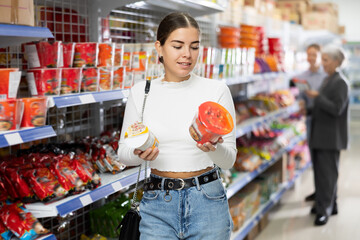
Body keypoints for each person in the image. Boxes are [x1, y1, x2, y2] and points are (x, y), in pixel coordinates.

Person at [117, 12, 236, 239]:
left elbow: (228, 160)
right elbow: (123, 154)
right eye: (177, 46)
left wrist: (213, 147)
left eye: (194, 47)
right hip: (158, 203)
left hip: (208, 201)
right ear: (159, 48)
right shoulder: (141, 92)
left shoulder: (216, 91)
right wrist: (140, 154)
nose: (187, 55)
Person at [305, 45, 349, 226]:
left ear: (336, 61)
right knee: (323, 174)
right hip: (320, 135)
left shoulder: (340, 82)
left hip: (330, 138)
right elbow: (321, 109)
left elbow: (336, 109)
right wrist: (308, 109)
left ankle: (324, 211)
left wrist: (317, 97)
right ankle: (330, 204)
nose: (322, 64)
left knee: (327, 176)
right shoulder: (328, 80)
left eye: (325, 60)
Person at [293, 43, 327, 202]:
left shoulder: (326, 76)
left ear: (320, 56)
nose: (311, 58)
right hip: (310, 119)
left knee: (323, 159)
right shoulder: (303, 76)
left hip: (324, 120)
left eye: (314, 54)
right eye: (309, 54)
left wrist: (316, 95)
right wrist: (301, 104)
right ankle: (317, 190)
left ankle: (326, 193)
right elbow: (301, 96)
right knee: (313, 156)